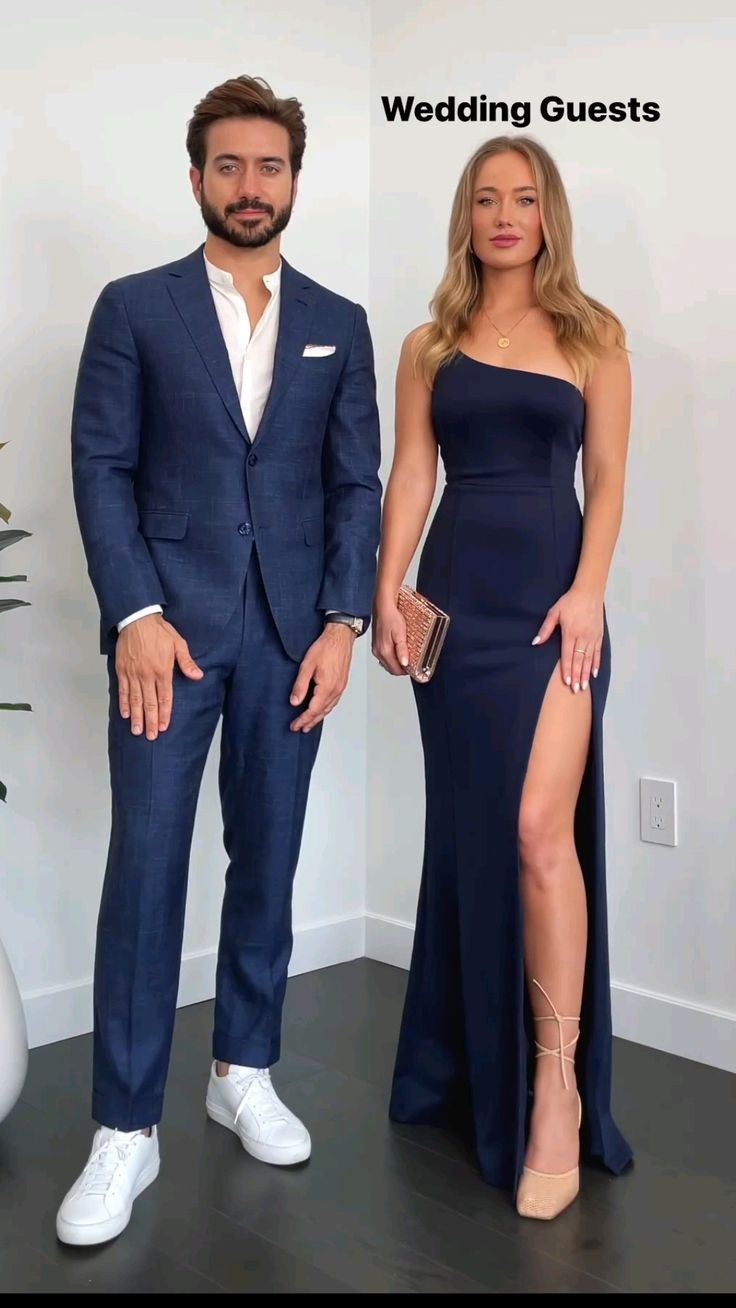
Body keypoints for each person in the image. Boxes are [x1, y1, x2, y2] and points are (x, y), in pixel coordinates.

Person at [59, 75, 381, 1246]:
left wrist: (344, 624)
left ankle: (241, 1066)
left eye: (272, 167)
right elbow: (100, 466)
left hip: (294, 640)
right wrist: (135, 611)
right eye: (231, 167)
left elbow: (356, 484)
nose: (252, 188)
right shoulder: (134, 308)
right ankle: (123, 1131)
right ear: (196, 177)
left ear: (296, 180)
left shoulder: (338, 322)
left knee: (271, 857)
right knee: (145, 867)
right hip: (169, 639)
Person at [373, 136, 633, 1220]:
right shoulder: (430, 341)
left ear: (548, 213)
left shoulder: (593, 336)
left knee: (540, 833)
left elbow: (609, 478)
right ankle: (476, 1065)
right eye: (486, 198)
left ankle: (557, 1092)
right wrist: (386, 590)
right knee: (481, 843)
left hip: (553, 615)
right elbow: (413, 472)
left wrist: (588, 591)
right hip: (457, 616)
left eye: (522, 198)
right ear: (465, 217)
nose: (504, 214)